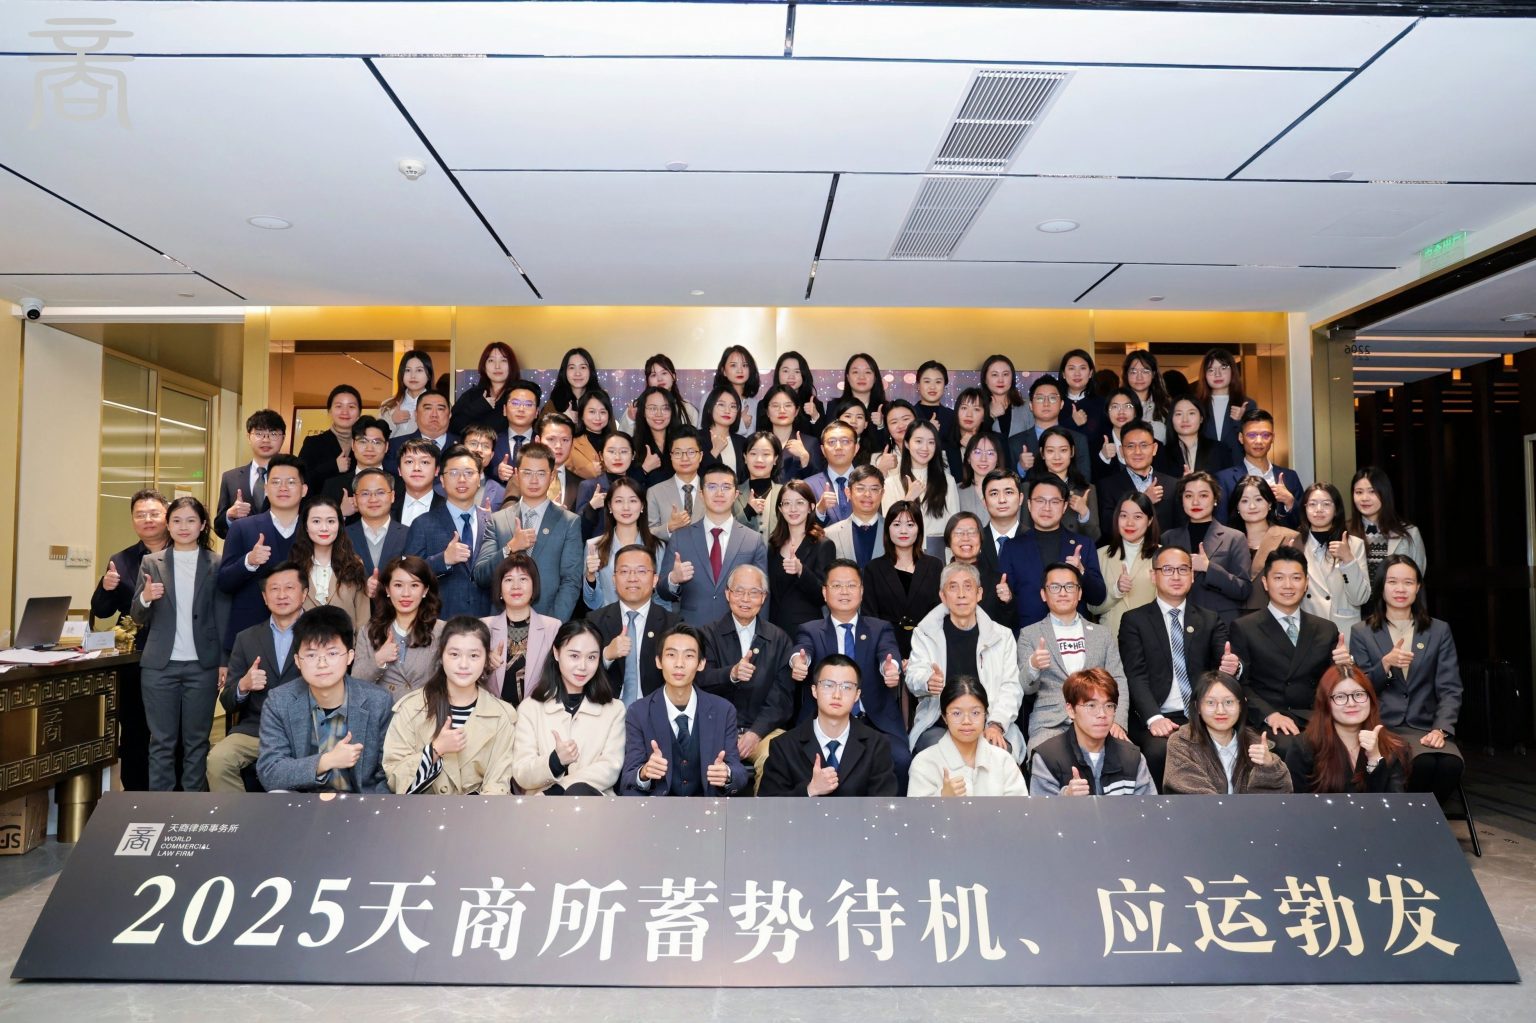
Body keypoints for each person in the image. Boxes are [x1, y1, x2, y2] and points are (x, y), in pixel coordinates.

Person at [1119, 545, 1242, 781]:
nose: (1176, 576)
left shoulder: (1209, 619)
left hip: (1203, 713)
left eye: (1183, 569)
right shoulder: (1134, 620)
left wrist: (1233, 667)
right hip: (1159, 715)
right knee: (1159, 752)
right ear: (1153, 576)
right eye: (1167, 569)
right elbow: (1134, 675)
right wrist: (1153, 718)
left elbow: (1226, 662)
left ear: (1192, 576)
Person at [132, 496, 226, 791]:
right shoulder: (151, 562)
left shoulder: (217, 563)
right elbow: (137, 615)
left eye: (191, 520)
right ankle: (161, 806)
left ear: (202, 525)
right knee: (161, 742)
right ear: (168, 526)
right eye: (176, 521)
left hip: (203, 666)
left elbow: (223, 615)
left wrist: (224, 661)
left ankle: (192, 806)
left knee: (197, 742)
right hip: (160, 667)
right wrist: (146, 597)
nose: (183, 527)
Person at [1350, 555, 1463, 796]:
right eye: (1392, 582)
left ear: (1418, 587)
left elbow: (1450, 687)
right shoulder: (1362, 632)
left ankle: (1429, 815)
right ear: (1381, 587)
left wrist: (1441, 729)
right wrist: (1385, 664)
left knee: (1450, 765)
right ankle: (1413, 816)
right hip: (1383, 726)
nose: (1400, 589)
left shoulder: (1438, 630)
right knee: (1421, 764)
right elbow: (1359, 691)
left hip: (1427, 726)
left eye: (1408, 582)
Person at [789, 560, 909, 784]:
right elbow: (802, 651)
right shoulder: (810, 630)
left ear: (861, 591)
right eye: (837, 586)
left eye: (851, 585)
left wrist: (890, 669)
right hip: (822, 722)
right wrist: (798, 662)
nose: (844, 591)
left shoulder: (879, 628)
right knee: (799, 760)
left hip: (872, 720)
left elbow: (888, 654)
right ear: (824, 592)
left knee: (900, 759)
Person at [256, 605, 394, 793]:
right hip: (303, 803)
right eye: (311, 655)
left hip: (360, 804)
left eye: (332, 653)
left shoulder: (378, 701)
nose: (322, 664)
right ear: (297, 661)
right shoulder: (279, 702)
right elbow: (270, 772)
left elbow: (388, 773)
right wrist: (327, 761)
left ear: (350, 657)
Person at [383, 615, 518, 795]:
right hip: (421, 811)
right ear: (441, 655)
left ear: (486, 658)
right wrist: (435, 750)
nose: (463, 664)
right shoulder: (411, 708)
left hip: (480, 811)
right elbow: (394, 777)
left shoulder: (501, 715)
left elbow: (497, 785)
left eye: (474, 656)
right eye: (454, 654)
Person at [1229, 546, 1347, 750]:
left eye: (1296, 578)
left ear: (1306, 583)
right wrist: (1269, 715)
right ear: (1265, 583)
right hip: (1269, 718)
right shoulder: (1244, 627)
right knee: (1292, 747)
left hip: (1315, 716)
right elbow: (1240, 685)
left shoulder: (1326, 629)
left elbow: (1335, 683)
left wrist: (1345, 666)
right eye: (1279, 578)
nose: (1288, 585)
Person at [905, 562, 1024, 760]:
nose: (961, 594)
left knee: (998, 755)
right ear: (943, 596)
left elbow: (1011, 687)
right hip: (939, 722)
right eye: (953, 587)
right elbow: (913, 675)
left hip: (989, 720)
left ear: (979, 593)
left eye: (968, 587)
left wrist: (996, 724)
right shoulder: (925, 633)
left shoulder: (1002, 636)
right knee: (942, 755)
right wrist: (927, 681)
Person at [91, 488, 169, 790]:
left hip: (173, 657)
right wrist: (106, 586)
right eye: (140, 515)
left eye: (154, 513)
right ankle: (136, 797)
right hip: (135, 659)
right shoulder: (121, 560)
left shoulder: (184, 554)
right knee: (135, 730)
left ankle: (174, 797)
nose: (147, 519)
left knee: (170, 732)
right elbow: (102, 610)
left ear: (167, 516)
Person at [209, 561, 306, 793]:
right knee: (218, 760)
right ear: (264, 597)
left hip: (307, 730)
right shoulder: (246, 638)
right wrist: (243, 685)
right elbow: (228, 700)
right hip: (257, 730)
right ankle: (239, 815)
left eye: (289, 588)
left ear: (304, 594)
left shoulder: (321, 635)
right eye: (274, 589)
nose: (281, 595)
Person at [620, 623, 749, 796]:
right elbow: (627, 778)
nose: (679, 664)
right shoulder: (639, 712)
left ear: (701, 663)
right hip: (658, 808)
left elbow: (739, 773)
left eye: (689, 656)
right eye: (671, 655)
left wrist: (727, 774)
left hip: (706, 807)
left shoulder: (723, 711)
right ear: (658, 661)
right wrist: (644, 773)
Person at [697, 565, 796, 775]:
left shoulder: (779, 639)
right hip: (715, 730)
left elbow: (782, 698)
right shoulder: (706, 635)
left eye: (754, 593)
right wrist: (731, 674)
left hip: (763, 732)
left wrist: (756, 733)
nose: (745, 599)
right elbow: (700, 681)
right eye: (739, 591)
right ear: (727, 594)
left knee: (775, 757)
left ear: (763, 597)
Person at [1019, 562, 1127, 749]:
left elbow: (1118, 679)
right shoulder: (1029, 634)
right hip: (1051, 724)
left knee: (1128, 756)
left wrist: (1118, 721)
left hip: (1099, 720)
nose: (1063, 593)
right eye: (1055, 587)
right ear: (1043, 594)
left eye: (1069, 586)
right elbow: (1026, 688)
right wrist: (1033, 666)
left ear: (1079, 593)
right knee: (1045, 757)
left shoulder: (1102, 634)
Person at [512, 620, 627, 795]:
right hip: (541, 808)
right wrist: (554, 762)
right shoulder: (530, 708)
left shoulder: (614, 709)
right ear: (556, 653)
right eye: (574, 656)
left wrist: (559, 790)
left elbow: (610, 768)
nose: (582, 666)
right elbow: (522, 773)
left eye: (591, 657)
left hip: (594, 806)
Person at [759, 654, 898, 796]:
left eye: (846, 687)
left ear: (857, 695)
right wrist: (809, 790)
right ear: (814, 690)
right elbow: (770, 805)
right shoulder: (784, 746)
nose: (837, 695)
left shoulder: (877, 745)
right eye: (828, 685)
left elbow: (884, 804)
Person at [474, 441, 583, 621]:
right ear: (516, 475)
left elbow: (571, 581)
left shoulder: (569, 522)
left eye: (541, 474)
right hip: (502, 622)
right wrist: (510, 548)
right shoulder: (497, 520)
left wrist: (553, 625)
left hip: (548, 620)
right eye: (527, 473)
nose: (533, 480)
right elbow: (481, 576)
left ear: (552, 476)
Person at [658, 462, 769, 625]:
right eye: (712, 487)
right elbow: (662, 592)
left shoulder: (753, 540)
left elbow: (763, 593)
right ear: (701, 494)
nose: (719, 493)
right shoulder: (680, 538)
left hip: (736, 629)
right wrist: (673, 579)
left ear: (736, 494)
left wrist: (760, 634)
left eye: (726, 487)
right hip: (692, 629)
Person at [218, 453, 307, 647]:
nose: (283, 488)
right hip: (250, 635)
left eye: (291, 482)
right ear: (266, 488)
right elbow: (224, 582)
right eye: (276, 482)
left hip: (305, 638)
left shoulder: (312, 531)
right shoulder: (242, 528)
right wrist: (248, 562)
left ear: (304, 490)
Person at [998, 475, 1106, 628]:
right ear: (1029, 504)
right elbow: (1004, 603)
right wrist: (1007, 598)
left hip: (1074, 635)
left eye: (1054, 502)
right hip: (1029, 633)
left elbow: (1098, 597)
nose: (1047, 508)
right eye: (1040, 501)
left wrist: (1081, 571)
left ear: (1064, 506)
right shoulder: (1012, 547)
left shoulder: (1083, 544)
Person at [1029, 668, 1156, 796]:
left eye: (1109, 706)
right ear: (1071, 710)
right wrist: (1066, 798)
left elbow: (1147, 807)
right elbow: (1041, 808)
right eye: (1091, 705)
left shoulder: (1133, 758)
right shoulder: (1047, 758)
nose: (1102, 714)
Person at [1163, 671, 1292, 794]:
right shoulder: (1182, 743)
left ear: (1241, 705)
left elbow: (1279, 798)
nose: (1220, 711)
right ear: (1198, 707)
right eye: (1211, 703)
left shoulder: (1256, 744)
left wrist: (1268, 767)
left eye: (1228, 702)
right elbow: (1193, 797)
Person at [1285, 665, 1409, 793]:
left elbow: (1394, 802)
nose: (1351, 703)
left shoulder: (1395, 748)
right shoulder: (1304, 747)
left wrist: (1375, 759)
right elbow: (1296, 802)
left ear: (1371, 699)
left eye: (1359, 694)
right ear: (1325, 703)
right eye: (1340, 697)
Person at [405, 444, 493, 619]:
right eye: (453, 473)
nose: (462, 479)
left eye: (469, 473)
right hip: (440, 621)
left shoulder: (494, 521)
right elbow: (409, 575)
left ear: (479, 479)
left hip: (487, 621)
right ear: (442, 480)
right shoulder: (422, 524)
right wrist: (443, 560)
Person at [590, 544, 684, 705]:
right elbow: (580, 672)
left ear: (655, 580)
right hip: (606, 710)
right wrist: (606, 655)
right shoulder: (594, 621)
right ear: (614, 580)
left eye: (641, 571)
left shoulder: (672, 625)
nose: (632, 578)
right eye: (624, 571)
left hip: (655, 710)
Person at [907, 677, 1028, 797]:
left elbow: (1019, 808)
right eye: (957, 713)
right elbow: (916, 810)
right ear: (944, 717)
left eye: (975, 713)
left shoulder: (1004, 761)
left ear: (985, 715)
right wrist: (942, 798)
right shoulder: (924, 763)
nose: (966, 721)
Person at [352, 555, 446, 701]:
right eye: (398, 585)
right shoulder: (369, 631)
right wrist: (379, 659)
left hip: (426, 710)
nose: (406, 593)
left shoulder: (441, 630)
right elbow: (356, 683)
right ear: (387, 590)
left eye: (414, 585)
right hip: (384, 713)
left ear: (425, 590)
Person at [1161, 472, 1251, 624]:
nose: (1195, 502)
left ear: (1215, 499)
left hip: (1220, 622)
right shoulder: (1168, 538)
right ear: (1182, 500)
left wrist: (1208, 568)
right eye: (1188, 496)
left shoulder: (1234, 537)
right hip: (1179, 621)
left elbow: (1244, 589)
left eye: (1203, 495)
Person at [861, 501, 942, 660]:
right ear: (888, 529)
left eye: (910, 525)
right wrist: (888, 653)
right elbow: (870, 617)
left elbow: (939, 612)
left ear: (919, 529)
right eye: (897, 524)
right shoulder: (873, 568)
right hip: (886, 652)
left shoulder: (934, 565)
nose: (903, 531)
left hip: (927, 650)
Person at [483, 552, 560, 706]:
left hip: (538, 714)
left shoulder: (553, 628)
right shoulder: (484, 627)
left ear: (534, 586)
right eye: (508, 580)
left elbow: (559, 680)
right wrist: (485, 665)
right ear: (499, 589)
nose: (516, 586)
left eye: (523, 579)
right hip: (494, 714)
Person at [584, 476, 665, 611]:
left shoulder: (657, 547)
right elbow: (592, 603)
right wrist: (590, 576)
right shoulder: (594, 546)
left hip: (647, 621)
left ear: (642, 506)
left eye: (633, 501)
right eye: (619, 501)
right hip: (608, 620)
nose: (626, 507)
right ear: (609, 506)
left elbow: (661, 600)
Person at [1299, 482, 1371, 634]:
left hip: (1342, 628)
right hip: (1307, 628)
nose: (1319, 509)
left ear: (1336, 509)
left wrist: (1348, 559)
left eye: (1326, 504)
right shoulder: (1295, 544)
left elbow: (1360, 598)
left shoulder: (1354, 544)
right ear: (1304, 508)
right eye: (1312, 504)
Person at [765, 480, 834, 638]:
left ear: (811, 507)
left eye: (800, 503)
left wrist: (801, 570)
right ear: (780, 509)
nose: (793, 509)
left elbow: (823, 595)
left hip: (807, 633)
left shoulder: (823, 545)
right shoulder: (773, 545)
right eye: (787, 503)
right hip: (775, 632)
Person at [1089, 492, 1160, 641]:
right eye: (1124, 516)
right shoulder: (1100, 555)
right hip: (1110, 640)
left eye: (1137, 517)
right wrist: (1116, 590)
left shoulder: (1162, 555)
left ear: (1149, 521)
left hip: (1149, 640)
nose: (1129, 523)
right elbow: (1093, 608)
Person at [1213, 408, 1302, 527]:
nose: (1259, 441)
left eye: (1266, 435)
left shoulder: (1290, 477)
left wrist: (1289, 502)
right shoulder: (1224, 479)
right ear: (1241, 438)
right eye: (1252, 435)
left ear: (1273, 438)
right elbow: (1220, 525)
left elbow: (1304, 524)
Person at [290, 495, 370, 626]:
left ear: (339, 525)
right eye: (316, 521)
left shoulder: (354, 564)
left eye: (331, 521)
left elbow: (363, 618)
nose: (324, 528)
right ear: (306, 526)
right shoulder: (294, 566)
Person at [1227, 475, 1300, 612]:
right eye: (1244, 501)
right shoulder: (1226, 540)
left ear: (1270, 503)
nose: (1252, 506)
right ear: (1237, 506)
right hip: (1231, 616)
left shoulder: (1290, 537)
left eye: (1259, 499)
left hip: (1273, 616)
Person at [1348, 466, 1427, 593]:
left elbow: (1416, 579)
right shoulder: (1343, 532)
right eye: (1359, 492)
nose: (1364, 498)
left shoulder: (1409, 533)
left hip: (1395, 603)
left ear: (1384, 493)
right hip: (1355, 604)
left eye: (1372, 491)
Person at [881, 420, 954, 549]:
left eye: (931, 442)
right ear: (907, 444)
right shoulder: (890, 483)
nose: (925, 448)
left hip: (939, 554)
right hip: (904, 553)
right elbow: (889, 527)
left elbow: (954, 527)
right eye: (919, 441)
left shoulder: (948, 481)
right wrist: (909, 499)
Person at [1096, 419, 1179, 531]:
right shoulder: (1107, 486)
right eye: (1130, 446)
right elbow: (1108, 528)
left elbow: (1179, 529)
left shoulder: (1173, 485)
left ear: (1154, 449)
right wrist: (1144, 500)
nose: (1137, 452)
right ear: (1121, 451)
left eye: (1144, 445)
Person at [214, 408, 285, 539]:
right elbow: (219, 528)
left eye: (273, 434)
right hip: (242, 550)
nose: (266, 440)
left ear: (283, 438)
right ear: (248, 437)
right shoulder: (230, 478)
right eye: (259, 433)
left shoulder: (292, 478)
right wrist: (230, 515)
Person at [1009, 375, 1091, 482]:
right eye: (1040, 398)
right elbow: (1007, 484)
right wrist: (1021, 468)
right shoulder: (1015, 442)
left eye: (1052, 398)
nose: (1046, 403)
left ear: (1061, 404)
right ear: (1031, 405)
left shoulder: (1078, 440)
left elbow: (1084, 481)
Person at [1028, 426, 1098, 541]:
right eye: (1050, 451)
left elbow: (1095, 537)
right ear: (1042, 453)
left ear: (1072, 451)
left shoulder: (1086, 489)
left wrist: (1084, 513)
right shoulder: (1028, 488)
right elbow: (1023, 531)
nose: (1057, 457)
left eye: (1063, 450)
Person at [321, 414, 392, 523]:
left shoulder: (400, 485)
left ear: (386, 447)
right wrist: (341, 514)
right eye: (363, 441)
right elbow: (320, 526)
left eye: (377, 442)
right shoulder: (332, 486)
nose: (369, 448)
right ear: (353, 445)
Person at [345, 467, 409, 583]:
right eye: (365, 493)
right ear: (355, 499)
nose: (373, 499)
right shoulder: (343, 536)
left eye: (380, 492)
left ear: (392, 496)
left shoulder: (409, 534)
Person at [575, 428, 639, 541]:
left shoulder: (638, 487)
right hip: (598, 549)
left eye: (624, 451)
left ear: (633, 455)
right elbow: (577, 531)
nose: (617, 457)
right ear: (601, 455)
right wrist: (591, 507)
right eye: (611, 451)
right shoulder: (588, 486)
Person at [1193, 347, 1257, 459]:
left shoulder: (1247, 404)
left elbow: (1254, 443)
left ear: (1232, 371)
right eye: (1211, 370)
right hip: (1205, 466)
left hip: (1237, 466)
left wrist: (1240, 422)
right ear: (1204, 375)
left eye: (1223, 368)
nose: (1217, 374)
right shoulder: (1195, 405)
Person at [298, 384, 362, 493]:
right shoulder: (313, 443)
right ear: (330, 411)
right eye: (339, 406)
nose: (345, 412)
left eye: (351, 407)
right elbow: (301, 479)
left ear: (359, 412)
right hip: (321, 503)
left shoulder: (364, 444)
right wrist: (333, 467)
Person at [646, 429, 706, 543]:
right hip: (670, 553)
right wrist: (669, 527)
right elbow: (648, 532)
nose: (685, 458)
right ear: (671, 456)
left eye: (691, 452)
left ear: (701, 456)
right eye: (678, 453)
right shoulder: (655, 492)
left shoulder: (712, 490)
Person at [822, 464, 886, 569]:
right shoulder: (829, 535)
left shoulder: (893, 531)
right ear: (848, 492)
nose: (867, 494)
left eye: (874, 489)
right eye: (860, 489)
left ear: (882, 493)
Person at [1154, 396, 1233, 479]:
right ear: (1171, 419)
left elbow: (1228, 483)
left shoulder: (1220, 450)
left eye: (1191, 413)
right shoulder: (1162, 454)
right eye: (1179, 414)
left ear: (1201, 418)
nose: (1185, 420)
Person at [449, 340, 517, 436]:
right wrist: (479, 406)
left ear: (511, 365)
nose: (497, 366)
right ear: (484, 366)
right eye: (491, 360)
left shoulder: (519, 395)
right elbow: (453, 426)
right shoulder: (472, 395)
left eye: (504, 360)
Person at [384, 388, 459, 475]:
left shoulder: (463, 445)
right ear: (416, 414)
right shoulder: (394, 447)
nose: (434, 414)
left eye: (440, 409)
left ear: (449, 415)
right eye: (428, 408)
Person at [487, 378, 542, 492]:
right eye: (515, 403)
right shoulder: (492, 441)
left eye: (528, 404)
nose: (521, 409)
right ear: (504, 409)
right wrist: (496, 472)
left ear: (537, 412)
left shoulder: (543, 442)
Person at [758, 385, 820, 483]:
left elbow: (817, 484)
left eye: (788, 405)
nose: (782, 410)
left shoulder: (810, 443)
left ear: (796, 411)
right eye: (775, 406)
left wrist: (804, 460)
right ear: (767, 412)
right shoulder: (757, 443)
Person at [622, 354, 699, 432]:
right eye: (653, 375)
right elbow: (623, 437)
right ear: (648, 381)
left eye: (664, 373)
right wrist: (630, 419)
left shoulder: (688, 409)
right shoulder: (636, 408)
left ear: (673, 376)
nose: (659, 379)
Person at [805, 420, 860, 526]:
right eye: (831, 442)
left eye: (845, 441)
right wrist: (820, 511)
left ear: (856, 448)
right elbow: (802, 527)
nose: (838, 447)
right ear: (823, 450)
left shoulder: (869, 482)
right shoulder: (808, 485)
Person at [733, 431, 782, 537]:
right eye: (753, 453)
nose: (759, 460)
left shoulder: (784, 493)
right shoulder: (733, 494)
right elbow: (725, 532)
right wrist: (747, 512)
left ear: (775, 459)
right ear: (745, 458)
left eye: (766, 454)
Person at [632, 385, 680, 491]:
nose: (659, 414)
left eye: (665, 408)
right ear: (643, 412)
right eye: (652, 408)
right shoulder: (632, 445)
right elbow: (626, 486)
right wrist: (644, 469)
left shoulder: (681, 441)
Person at [531, 412, 581, 514]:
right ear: (538, 441)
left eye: (565, 440)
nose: (558, 446)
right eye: (551, 439)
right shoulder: (520, 478)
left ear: (572, 443)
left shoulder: (580, 485)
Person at [378, 349, 433, 438]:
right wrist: (392, 421)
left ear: (429, 375)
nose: (413, 376)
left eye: (419, 370)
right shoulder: (387, 405)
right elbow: (378, 439)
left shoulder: (438, 405)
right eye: (407, 370)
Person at [699, 384, 749, 481]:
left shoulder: (742, 442)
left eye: (733, 406)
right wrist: (715, 450)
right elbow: (695, 476)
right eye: (721, 405)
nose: (727, 411)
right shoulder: (697, 438)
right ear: (709, 408)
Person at [1091, 386, 1141, 481]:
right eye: (1115, 407)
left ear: (1136, 412)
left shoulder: (1150, 443)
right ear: (1107, 412)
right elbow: (1094, 481)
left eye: (1127, 406)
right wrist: (1104, 457)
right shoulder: (1096, 444)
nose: (1121, 412)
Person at [392, 437, 444, 528]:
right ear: (399, 470)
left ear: (436, 470)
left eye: (425, 462)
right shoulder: (387, 507)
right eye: (409, 461)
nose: (416, 468)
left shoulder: (449, 509)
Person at [1058, 349, 1106, 444]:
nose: (1077, 373)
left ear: (1090, 373)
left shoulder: (1103, 404)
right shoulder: (1055, 402)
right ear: (1063, 374)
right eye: (1071, 368)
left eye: (1082, 368)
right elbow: (1048, 434)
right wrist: (1072, 422)